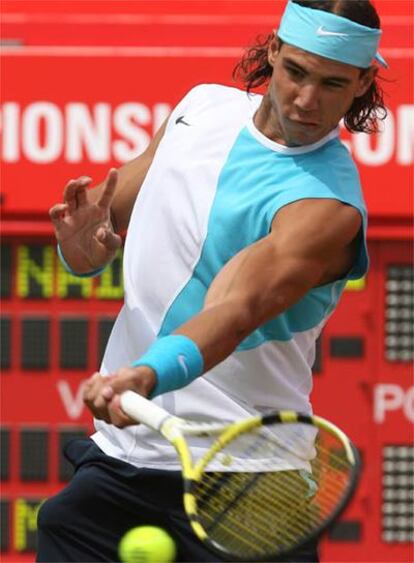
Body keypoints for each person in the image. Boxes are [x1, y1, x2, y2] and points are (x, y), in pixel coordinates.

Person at [37, 1, 388, 561]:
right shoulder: (199, 109)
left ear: (363, 82)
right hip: (125, 459)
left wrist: (146, 374)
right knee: (64, 523)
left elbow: (235, 307)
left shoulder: (326, 209)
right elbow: (97, 241)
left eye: (332, 83)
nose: (306, 100)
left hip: (250, 485)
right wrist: (80, 244)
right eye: (295, 71)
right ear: (273, 51)